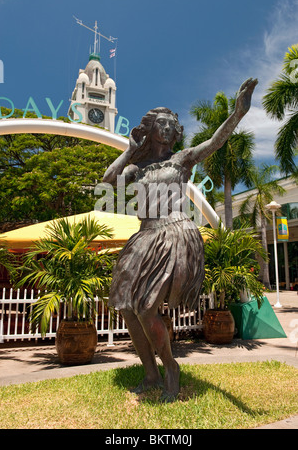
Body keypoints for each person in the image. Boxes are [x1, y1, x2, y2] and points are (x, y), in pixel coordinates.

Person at [103, 78, 258, 402]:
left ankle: (170, 368)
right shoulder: (138, 167)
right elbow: (108, 181)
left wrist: (237, 114)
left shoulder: (182, 159)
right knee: (128, 309)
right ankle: (150, 372)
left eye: (173, 124)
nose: (169, 127)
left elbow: (215, 141)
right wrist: (130, 150)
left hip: (173, 233)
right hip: (143, 236)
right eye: (163, 122)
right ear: (150, 129)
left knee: (146, 309)